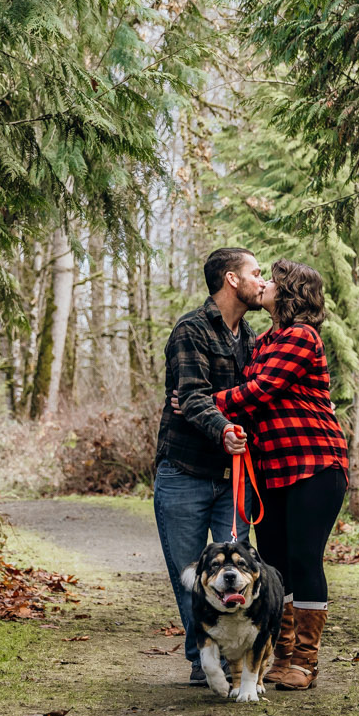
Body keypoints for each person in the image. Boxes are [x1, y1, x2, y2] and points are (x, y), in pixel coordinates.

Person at [212, 258, 349, 689]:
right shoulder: (264, 340)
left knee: (304, 559)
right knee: (273, 565)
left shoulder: (301, 337)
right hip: (271, 473)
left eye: (273, 280)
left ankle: (305, 662)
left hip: (315, 464)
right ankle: (283, 652)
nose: (265, 284)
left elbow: (258, 391)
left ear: (291, 293)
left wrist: (204, 401)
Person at [154, 247, 264, 684]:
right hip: (184, 473)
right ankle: (205, 660)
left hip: (232, 479)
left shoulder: (251, 337)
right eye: (256, 273)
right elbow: (193, 395)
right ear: (232, 280)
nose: (262, 280)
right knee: (192, 576)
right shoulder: (191, 329)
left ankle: (229, 659)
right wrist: (224, 430)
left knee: (237, 571)